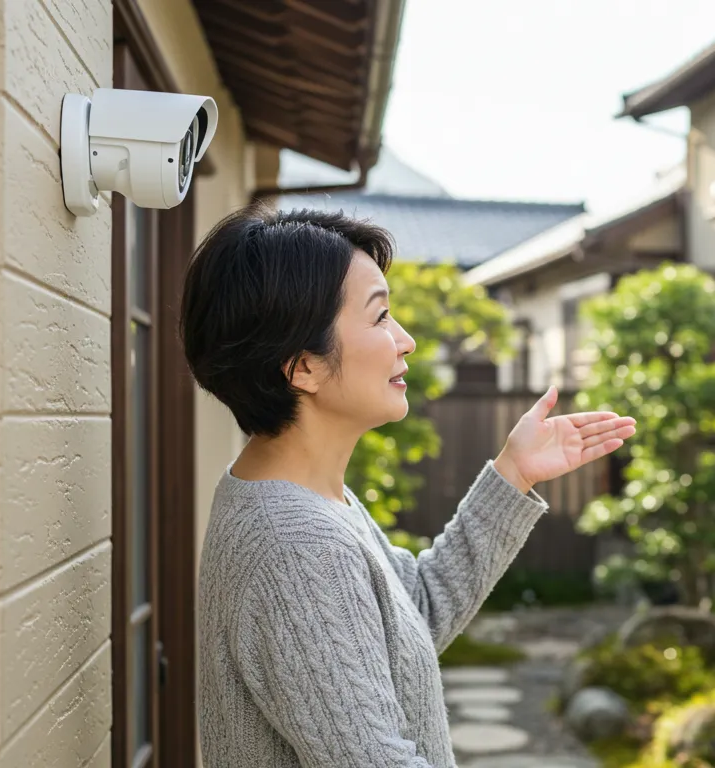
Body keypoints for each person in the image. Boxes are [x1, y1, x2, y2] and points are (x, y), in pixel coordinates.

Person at [181, 202, 636, 767]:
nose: (406, 340)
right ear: (303, 367)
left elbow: (413, 613)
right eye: (379, 317)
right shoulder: (296, 546)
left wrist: (512, 474)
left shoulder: (308, 500)